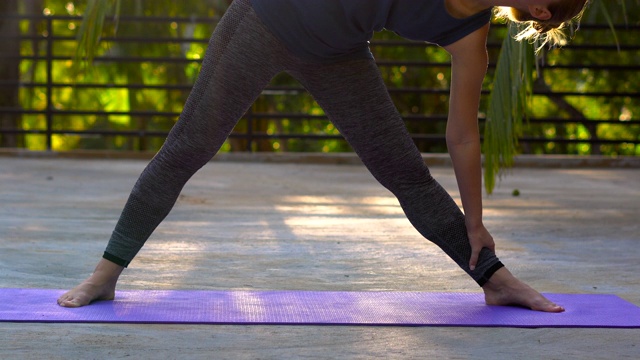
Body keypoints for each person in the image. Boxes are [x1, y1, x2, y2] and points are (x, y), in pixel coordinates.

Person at [58, 0, 588, 311]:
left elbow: (463, 136)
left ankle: (496, 281)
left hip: (336, 55)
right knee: (188, 147)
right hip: (266, 18)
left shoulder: (469, 36)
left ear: (541, 8)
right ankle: (105, 274)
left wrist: (477, 223)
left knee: (406, 173)